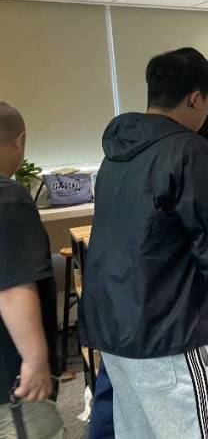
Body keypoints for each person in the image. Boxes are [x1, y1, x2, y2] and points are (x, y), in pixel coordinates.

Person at [80, 47, 208, 439]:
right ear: (194, 97)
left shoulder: (116, 154)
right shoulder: (188, 149)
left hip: (115, 326)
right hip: (171, 329)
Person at [0, 101, 64, 439]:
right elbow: (12, 287)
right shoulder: (8, 198)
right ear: (20, 140)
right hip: (12, 380)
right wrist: (35, 359)